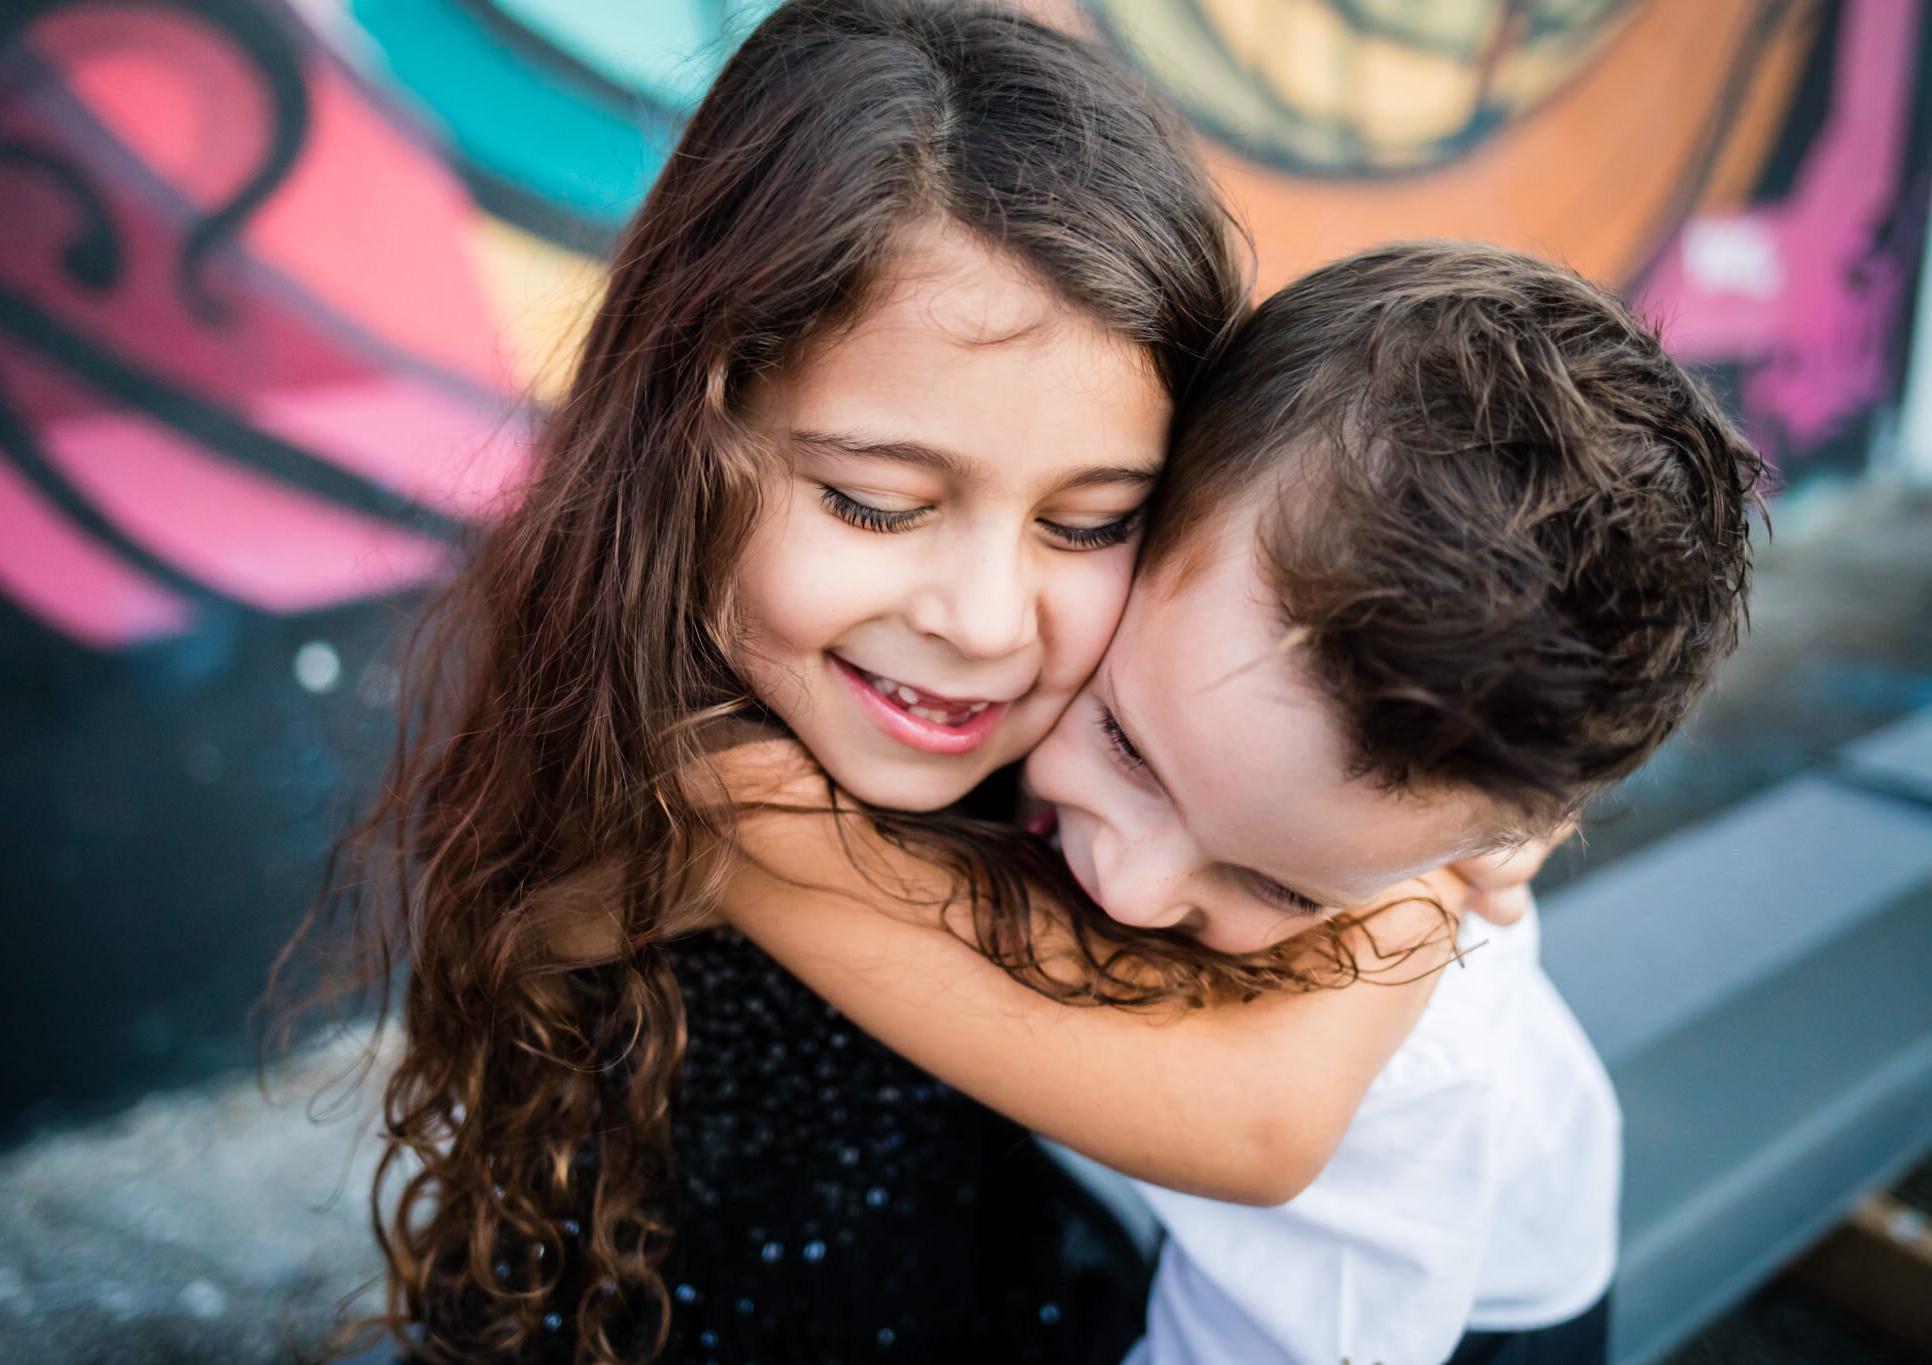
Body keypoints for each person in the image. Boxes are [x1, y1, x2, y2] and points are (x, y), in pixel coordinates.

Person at [292, 3, 1422, 1363]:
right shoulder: (728, 804)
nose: (984, 620)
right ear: (692, 436)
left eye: (1089, 522)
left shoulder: (1084, 714)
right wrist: (1433, 858)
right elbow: (1260, 1123)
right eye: (878, 504)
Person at [718, 240, 1769, 1364]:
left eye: (1275, 883)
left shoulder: (1402, 1106)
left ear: (1471, 852)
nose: (1129, 889)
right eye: (1124, 745)